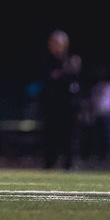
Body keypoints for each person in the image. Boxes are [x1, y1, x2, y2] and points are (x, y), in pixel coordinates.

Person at [40, 29, 82, 170]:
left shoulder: (72, 59)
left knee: (69, 137)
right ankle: (49, 163)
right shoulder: (46, 61)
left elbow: (73, 78)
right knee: (50, 135)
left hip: (68, 106)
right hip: (51, 105)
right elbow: (48, 79)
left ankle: (69, 163)